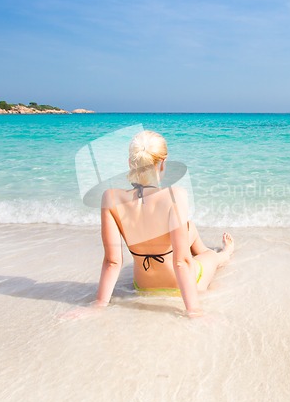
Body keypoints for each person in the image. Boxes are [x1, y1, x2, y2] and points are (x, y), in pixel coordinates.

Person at [88, 130, 234, 319]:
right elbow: (181, 262)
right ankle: (225, 253)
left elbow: (112, 261)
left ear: (130, 163)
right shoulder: (176, 195)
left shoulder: (110, 198)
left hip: (142, 286)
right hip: (180, 286)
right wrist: (194, 311)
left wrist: (98, 305)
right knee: (210, 255)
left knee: (186, 226)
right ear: (163, 164)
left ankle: (202, 248)